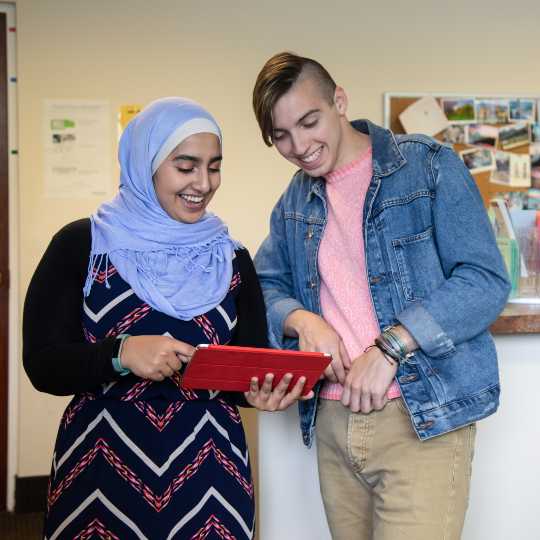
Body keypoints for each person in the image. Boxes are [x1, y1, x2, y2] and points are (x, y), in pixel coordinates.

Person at [252, 52, 511, 540]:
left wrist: (392, 344)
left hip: (420, 419)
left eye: (309, 122)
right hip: (331, 420)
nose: (300, 146)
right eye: (281, 136)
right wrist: (304, 321)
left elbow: (484, 280)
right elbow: (266, 285)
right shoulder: (294, 199)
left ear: (340, 101)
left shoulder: (427, 167)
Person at [24, 97, 308, 540]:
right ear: (147, 163)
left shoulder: (231, 258)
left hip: (212, 473)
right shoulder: (82, 243)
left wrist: (261, 393)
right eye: (185, 165)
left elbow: (245, 368)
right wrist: (119, 354)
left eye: (214, 166)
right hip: (101, 468)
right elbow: (42, 364)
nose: (204, 182)